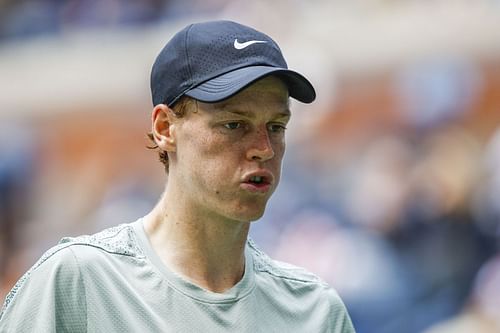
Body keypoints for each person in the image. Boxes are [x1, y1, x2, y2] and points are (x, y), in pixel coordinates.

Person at [0, 20, 355, 332]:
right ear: (165, 127)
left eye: (276, 127)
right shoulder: (78, 281)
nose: (263, 148)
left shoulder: (315, 311)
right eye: (234, 124)